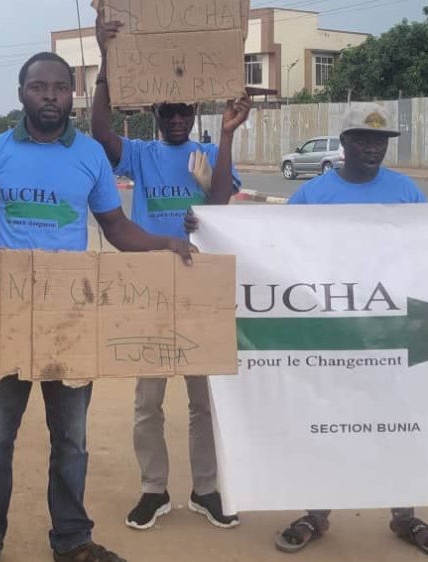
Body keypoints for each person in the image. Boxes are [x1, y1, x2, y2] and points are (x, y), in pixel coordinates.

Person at [185, 102, 428, 559]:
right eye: (364, 139)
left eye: (380, 141)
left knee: (397, 423)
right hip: (331, 332)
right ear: (347, 143)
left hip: (390, 332)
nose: (373, 148)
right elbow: (270, 242)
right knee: (328, 422)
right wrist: (212, 227)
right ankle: (315, 514)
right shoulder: (314, 196)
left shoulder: (405, 192)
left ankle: (404, 516)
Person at [0, 52, 196, 562]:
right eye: (39, 86)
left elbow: (115, 228)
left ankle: (72, 542)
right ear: (22, 92)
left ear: (72, 94)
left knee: (72, 440)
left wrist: (162, 244)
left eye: (60, 87)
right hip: (5, 317)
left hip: (71, 318)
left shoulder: (89, 155)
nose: (50, 95)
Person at [91, 14, 253, 532]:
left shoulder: (207, 153)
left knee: (204, 400)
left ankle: (206, 489)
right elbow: (98, 133)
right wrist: (103, 64)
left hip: (199, 288)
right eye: (169, 110)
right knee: (148, 400)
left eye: (185, 109)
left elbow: (222, 199)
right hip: (151, 288)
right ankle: (153, 489)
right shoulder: (139, 155)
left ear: (195, 110)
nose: (177, 118)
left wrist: (226, 137)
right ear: (157, 113)